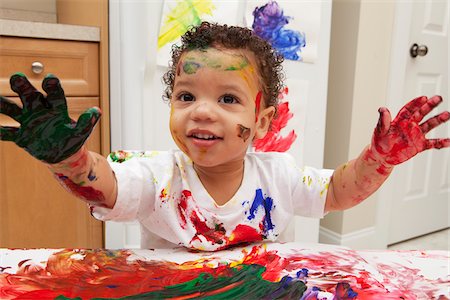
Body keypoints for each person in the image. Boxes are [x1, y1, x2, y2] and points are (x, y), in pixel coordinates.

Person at [1, 22, 449, 251]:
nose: (201, 110)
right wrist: (70, 160)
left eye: (228, 99)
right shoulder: (157, 177)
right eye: (186, 95)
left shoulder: (279, 176)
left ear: (263, 121)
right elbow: (111, 184)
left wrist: (380, 159)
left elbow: (337, 192)